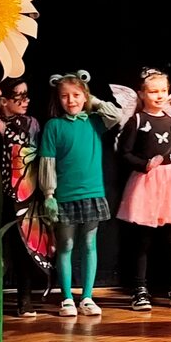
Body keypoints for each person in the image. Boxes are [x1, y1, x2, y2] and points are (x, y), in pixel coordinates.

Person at [39, 71, 121, 317]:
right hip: (65, 196)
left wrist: (93, 100)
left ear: (85, 96)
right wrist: (49, 195)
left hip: (92, 193)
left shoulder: (94, 122)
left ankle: (87, 297)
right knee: (66, 244)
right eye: (65, 96)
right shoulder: (54, 126)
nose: (71, 100)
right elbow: (47, 162)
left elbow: (117, 115)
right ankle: (66, 298)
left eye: (76, 95)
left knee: (88, 243)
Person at [116, 68, 171, 312]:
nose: (160, 95)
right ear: (142, 94)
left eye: (163, 90)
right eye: (153, 91)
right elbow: (124, 153)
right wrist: (144, 164)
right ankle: (140, 289)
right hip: (147, 183)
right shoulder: (137, 121)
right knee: (144, 238)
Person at [0, 76, 49, 317]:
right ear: (4, 100)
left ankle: (24, 298)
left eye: (27, 95)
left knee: (22, 247)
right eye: (19, 96)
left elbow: (30, 149)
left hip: (23, 197)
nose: (26, 100)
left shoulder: (30, 122)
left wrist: (5, 131)